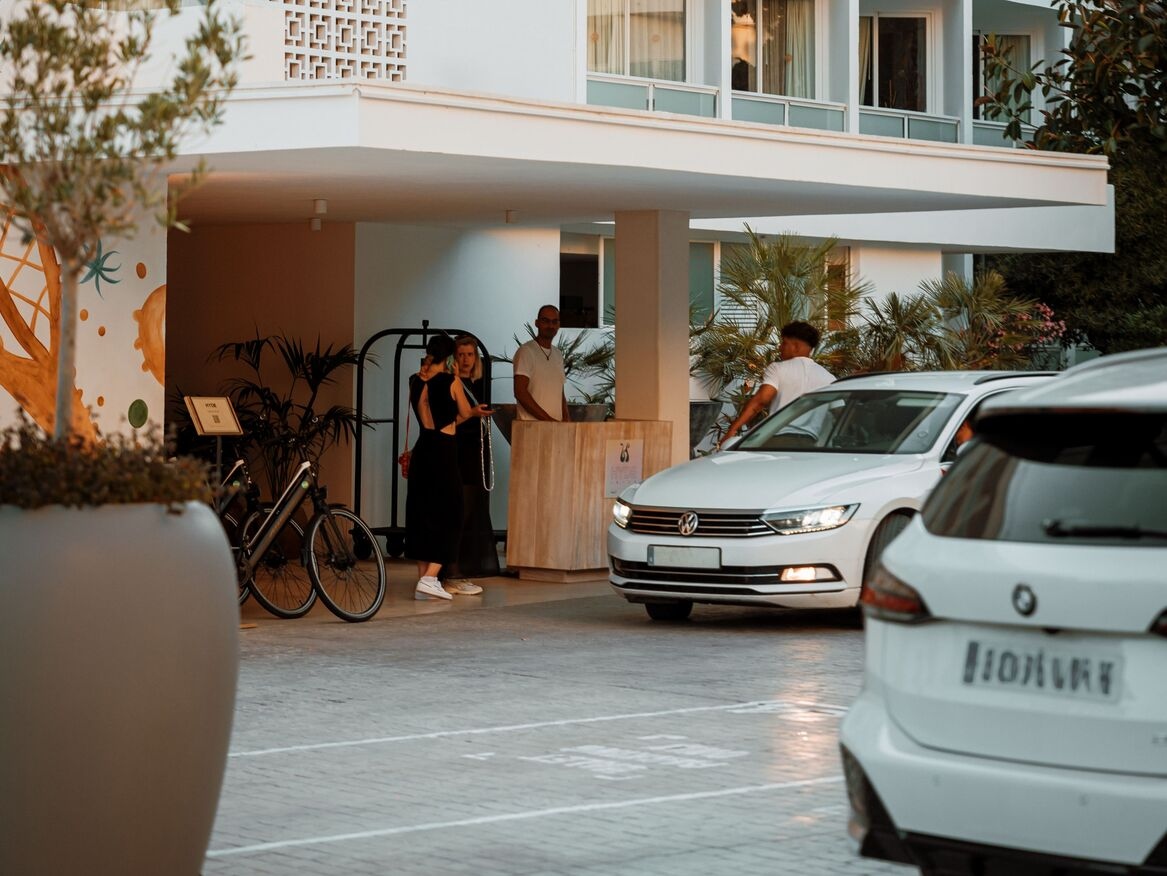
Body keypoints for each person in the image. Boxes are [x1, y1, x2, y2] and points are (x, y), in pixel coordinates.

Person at [405, 335, 491, 601]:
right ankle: (431, 577)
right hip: (443, 450)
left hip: (423, 447)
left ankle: (424, 580)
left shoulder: (416, 381)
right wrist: (474, 410)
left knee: (423, 513)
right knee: (452, 512)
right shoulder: (451, 382)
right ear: (450, 356)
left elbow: (428, 410)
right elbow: (465, 413)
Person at [441, 336, 501, 592]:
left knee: (474, 506)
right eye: (462, 355)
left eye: (470, 355)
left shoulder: (479, 383)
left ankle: (463, 565)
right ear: (454, 357)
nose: (466, 360)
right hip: (457, 449)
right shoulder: (451, 383)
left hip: (476, 449)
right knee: (459, 509)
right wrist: (472, 415)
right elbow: (447, 420)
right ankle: (450, 568)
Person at [720, 321, 835, 445]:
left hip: (777, 440)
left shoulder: (778, 368)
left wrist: (732, 430)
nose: (780, 347)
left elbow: (761, 400)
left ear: (796, 347)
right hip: (811, 445)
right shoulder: (829, 378)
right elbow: (837, 412)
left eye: (784, 343)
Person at [513, 304, 569, 422]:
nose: (550, 325)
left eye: (554, 322)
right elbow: (520, 392)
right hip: (531, 428)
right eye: (546, 321)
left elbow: (560, 393)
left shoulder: (558, 354)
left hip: (556, 428)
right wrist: (547, 420)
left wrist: (566, 420)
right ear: (537, 323)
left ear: (559, 325)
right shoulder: (526, 351)